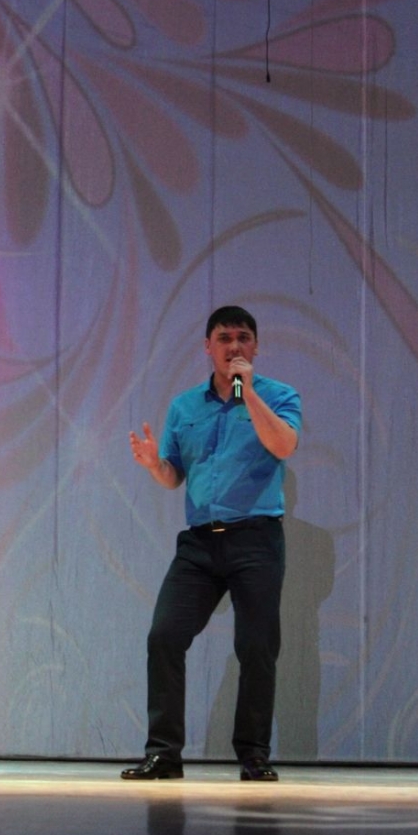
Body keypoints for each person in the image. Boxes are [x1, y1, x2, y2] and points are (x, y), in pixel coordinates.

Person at [121, 305, 301, 782]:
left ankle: (253, 755)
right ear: (208, 347)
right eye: (224, 338)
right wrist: (154, 465)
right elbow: (174, 475)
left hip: (256, 539)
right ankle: (164, 754)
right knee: (164, 636)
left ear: (256, 347)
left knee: (256, 647)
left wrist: (248, 394)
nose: (234, 346)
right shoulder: (185, 407)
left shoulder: (279, 396)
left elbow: (284, 445)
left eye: (243, 337)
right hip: (201, 544)